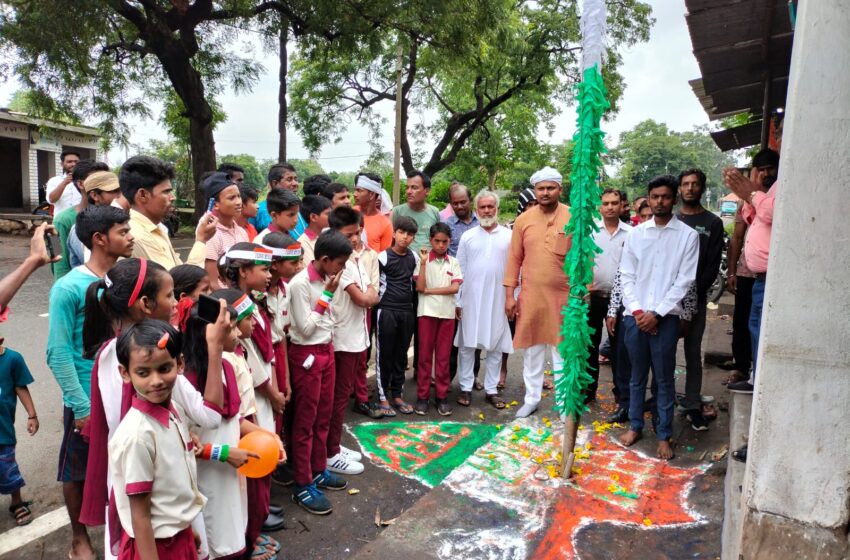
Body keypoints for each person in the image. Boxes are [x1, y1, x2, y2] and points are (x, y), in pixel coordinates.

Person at [47, 205, 135, 560]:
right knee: (77, 469)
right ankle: (79, 536)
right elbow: (57, 352)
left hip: (126, 391)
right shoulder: (68, 288)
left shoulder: (124, 279)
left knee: (126, 464)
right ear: (100, 239)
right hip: (88, 398)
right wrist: (80, 405)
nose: (131, 237)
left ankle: (125, 529)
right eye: (123, 231)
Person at [182, 292, 273, 560]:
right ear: (209, 335)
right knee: (214, 543)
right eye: (230, 328)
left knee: (234, 536)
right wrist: (223, 453)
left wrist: (268, 438)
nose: (236, 333)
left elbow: (235, 419)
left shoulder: (227, 366)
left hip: (232, 477)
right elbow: (183, 444)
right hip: (207, 480)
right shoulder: (188, 381)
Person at [108, 320, 207, 559]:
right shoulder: (138, 436)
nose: (156, 381)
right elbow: (140, 515)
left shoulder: (171, 410)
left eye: (164, 368)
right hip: (154, 548)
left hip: (176, 538)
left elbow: (170, 488)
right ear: (125, 373)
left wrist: (186, 529)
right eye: (143, 372)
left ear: (180, 363)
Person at [617, 175, 699, 461]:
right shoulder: (637, 235)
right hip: (636, 318)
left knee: (664, 380)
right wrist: (639, 312)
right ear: (648, 199)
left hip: (666, 319)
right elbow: (626, 276)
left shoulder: (688, 236)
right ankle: (636, 425)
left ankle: (664, 435)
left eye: (665, 197)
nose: (660, 202)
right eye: (655, 197)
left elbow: (684, 280)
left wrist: (657, 313)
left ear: (674, 198)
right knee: (636, 376)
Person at [287, 230, 352, 514]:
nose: (343, 269)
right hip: (307, 356)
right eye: (340, 263)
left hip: (326, 351)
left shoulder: (328, 278)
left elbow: (325, 322)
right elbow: (304, 328)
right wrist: (327, 295)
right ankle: (302, 482)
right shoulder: (300, 284)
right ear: (324, 259)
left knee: (323, 416)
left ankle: (318, 468)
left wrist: (328, 292)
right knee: (305, 421)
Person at [504, 167, 571, 418]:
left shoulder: (573, 217)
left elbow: (582, 259)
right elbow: (514, 260)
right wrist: (510, 295)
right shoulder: (524, 220)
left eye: (550, 188)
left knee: (562, 352)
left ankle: (564, 404)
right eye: (541, 188)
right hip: (531, 296)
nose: (545, 192)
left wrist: (582, 292)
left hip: (564, 297)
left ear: (559, 190)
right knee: (532, 351)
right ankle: (531, 398)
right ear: (536, 190)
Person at [723, 147, 780, 396]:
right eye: (762, 170)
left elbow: (772, 214)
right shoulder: (760, 195)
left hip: (772, 278)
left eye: (771, 169)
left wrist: (753, 193)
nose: (766, 174)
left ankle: (762, 380)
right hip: (756, 276)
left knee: (760, 328)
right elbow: (746, 222)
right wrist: (752, 194)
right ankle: (754, 375)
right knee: (749, 325)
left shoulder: (781, 189)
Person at [326, 207, 377, 471]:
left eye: (358, 232)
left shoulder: (356, 256)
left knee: (342, 394)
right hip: (342, 337)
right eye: (349, 235)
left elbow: (373, 294)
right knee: (338, 397)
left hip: (358, 336)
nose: (356, 239)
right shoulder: (338, 263)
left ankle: (333, 445)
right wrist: (367, 294)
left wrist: (368, 294)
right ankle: (330, 452)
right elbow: (363, 299)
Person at [455, 189, 515, 411]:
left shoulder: (509, 237)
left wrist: (514, 299)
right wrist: (457, 301)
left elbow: (515, 269)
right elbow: (459, 270)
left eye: (491, 206)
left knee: (496, 345)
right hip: (470, 298)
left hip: (499, 298)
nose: (487, 210)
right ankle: (465, 387)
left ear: (497, 209)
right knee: (467, 345)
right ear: (477, 210)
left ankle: (491, 389)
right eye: (483, 207)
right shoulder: (467, 237)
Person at [676, 168, 724, 430]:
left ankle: (692, 403)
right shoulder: (672, 220)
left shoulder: (713, 223)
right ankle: (661, 399)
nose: (690, 188)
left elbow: (712, 266)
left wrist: (692, 298)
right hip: (667, 301)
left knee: (692, 353)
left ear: (702, 188)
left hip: (695, 299)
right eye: (685, 184)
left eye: (695, 184)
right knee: (660, 352)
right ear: (679, 189)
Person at [120, 156, 217, 269]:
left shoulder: (156, 228)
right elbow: (180, 283)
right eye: (166, 192)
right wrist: (201, 240)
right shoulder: (138, 236)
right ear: (142, 195)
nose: (173, 197)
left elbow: (179, 273)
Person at [587, 189, 632, 406]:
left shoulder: (631, 233)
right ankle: (588, 390)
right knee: (590, 345)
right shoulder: (591, 232)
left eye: (615, 202)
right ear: (600, 206)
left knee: (619, 348)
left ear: (622, 205)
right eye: (606, 203)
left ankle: (621, 393)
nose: (610, 207)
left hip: (621, 301)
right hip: (594, 297)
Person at [414, 222, 462, 416]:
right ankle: (422, 397)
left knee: (443, 357)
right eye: (437, 241)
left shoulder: (454, 262)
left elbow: (454, 288)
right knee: (424, 357)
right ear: (431, 241)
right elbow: (419, 287)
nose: (441, 245)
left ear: (449, 241)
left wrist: (430, 291)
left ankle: (442, 397)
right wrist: (424, 263)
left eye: (445, 241)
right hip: (426, 313)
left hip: (447, 315)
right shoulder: (423, 261)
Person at [375, 217, 419, 417]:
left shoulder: (415, 258)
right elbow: (375, 285)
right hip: (386, 310)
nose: (405, 237)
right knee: (385, 354)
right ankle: (383, 396)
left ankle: (397, 394)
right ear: (394, 233)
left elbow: (416, 285)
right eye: (402, 232)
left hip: (407, 311)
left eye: (410, 234)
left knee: (401, 354)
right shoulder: (382, 257)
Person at [0, 337, 38, 526]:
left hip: (3, 430)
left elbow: (20, 387)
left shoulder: (12, 359)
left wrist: (32, 415)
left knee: (8, 468)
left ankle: (16, 501)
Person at [53, 161, 110, 279]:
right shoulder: (62, 221)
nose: (106, 186)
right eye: (98, 181)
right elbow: (59, 264)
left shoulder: (116, 216)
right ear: (81, 184)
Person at [0, 223, 60, 320]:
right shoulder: (62, 220)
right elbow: (60, 258)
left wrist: (34, 260)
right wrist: (34, 260)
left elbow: (59, 255)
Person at [67, 170, 125, 270]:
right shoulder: (84, 228)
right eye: (114, 191)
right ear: (94, 195)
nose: (120, 196)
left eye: (121, 191)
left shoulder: (121, 221)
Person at [203, 172, 249, 288]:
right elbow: (212, 283)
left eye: (239, 196)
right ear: (215, 204)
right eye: (231, 198)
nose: (238, 202)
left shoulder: (242, 232)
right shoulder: (210, 235)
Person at [391, 171, 441, 253]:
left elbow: (439, 239)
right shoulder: (397, 212)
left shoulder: (435, 212)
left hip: (428, 262)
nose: (408, 191)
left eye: (414, 188)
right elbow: (391, 241)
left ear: (427, 191)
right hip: (404, 261)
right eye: (407, 187)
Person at [250, 163, 302, 234]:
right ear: (275, 183)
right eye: (289, 179)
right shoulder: (258, 211)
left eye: (296, 179)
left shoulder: (299, 208)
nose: (295, 184)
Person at [353, 173, 393, 252]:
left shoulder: (385, 224)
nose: (354, 194)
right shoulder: (349, 213)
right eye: (355, 190)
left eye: (359, 191)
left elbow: (383, 257)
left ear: (371, 195)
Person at [297, 195, 332, 265]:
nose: (331, 216)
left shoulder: (328, 236)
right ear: (313, 217)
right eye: (328, 214)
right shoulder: (303, 243)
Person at [445, 183, 478, 257]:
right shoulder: (446, 225)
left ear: (471, 200)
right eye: (455, 203)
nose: (459, 206)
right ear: (450, 204)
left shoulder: (482, 223)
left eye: (463, 202)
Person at [47, 150, 81, 215]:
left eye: (76, 162)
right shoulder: (54, 180)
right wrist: (64, 182)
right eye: (69, 162)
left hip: (81, 222)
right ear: (62, 164)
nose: (73, 164)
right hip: (61, 222)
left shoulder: (86, 180)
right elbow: (51, 200)